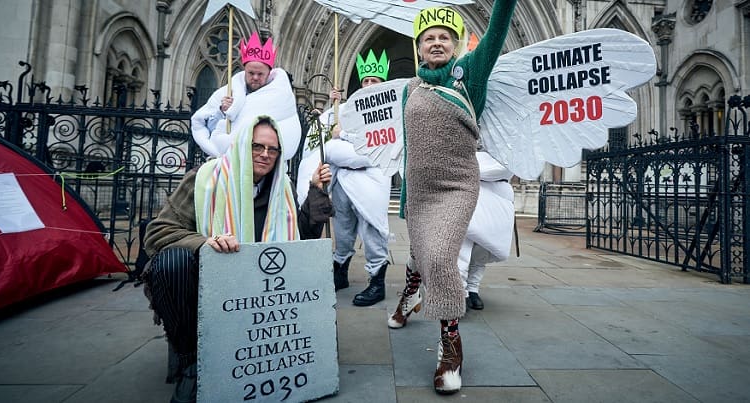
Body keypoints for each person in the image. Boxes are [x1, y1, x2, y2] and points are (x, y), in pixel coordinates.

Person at [141, 116, 333, 403]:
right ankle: (191, 362)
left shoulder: (281, 188)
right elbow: (157, 233)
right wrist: (205, 243)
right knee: (172, 263)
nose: (265, 154)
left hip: (261, 292)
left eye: (273, 149)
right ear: (243, 144)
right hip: (206, 284)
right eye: (258, 146)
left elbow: (298, 242)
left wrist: (315, 189)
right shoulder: (204, 179)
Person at [387, 2, 517, 395]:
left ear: (456, 44)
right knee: (420, 254)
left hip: (457, 187)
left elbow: (495, 32)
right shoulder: (411, 88)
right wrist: (408, 193)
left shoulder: (469, 76)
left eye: (445, 37)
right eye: (430, 39)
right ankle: (409, 296)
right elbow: (409, 146)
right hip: (420, 192)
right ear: (419, 48)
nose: (437, 43)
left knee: (441, 257)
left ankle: (450, 349)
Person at [322, 49, 392, 306]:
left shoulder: (389, 111)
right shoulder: (348, 108)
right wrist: (334, 106)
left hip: (372, 179)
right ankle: (340, 273)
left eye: (375, 81)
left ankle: (377, 282)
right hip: (344, 181)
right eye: (366, 81)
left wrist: (346, 141)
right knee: (343, 229)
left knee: (372, 230)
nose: (370, 85)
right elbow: (326, 137)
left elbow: (378, 149)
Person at [191, 32, 302, 160]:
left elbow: (287, 131)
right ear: (244, 71)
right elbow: (206, 127)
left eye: (260, 74)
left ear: (269, 73)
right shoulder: (226, 93)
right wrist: (221, 112)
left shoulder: (281, 96)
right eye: (251, 73)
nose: (255, 77)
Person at [457, 151, 515, 311]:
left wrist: (466, 168)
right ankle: (459, 293)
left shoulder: (508, 143)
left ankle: (473, 289)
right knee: (462, 247)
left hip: (498, 196)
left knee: (484, 248)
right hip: (469, 192)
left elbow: (506, 168)